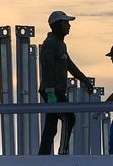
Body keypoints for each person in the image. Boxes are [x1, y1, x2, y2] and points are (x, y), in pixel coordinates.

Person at [38, 10, 94, 155]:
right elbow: (47, 67)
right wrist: (50, 92)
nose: (69, 26)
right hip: (52, 90)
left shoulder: (60, 45)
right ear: (57, 25)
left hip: (57, 90)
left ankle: (43, 155)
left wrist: (85, 81)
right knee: (69, 117)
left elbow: (70, 65)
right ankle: (63, 151)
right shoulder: (50, 44)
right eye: (66, 23)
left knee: (51, 125)